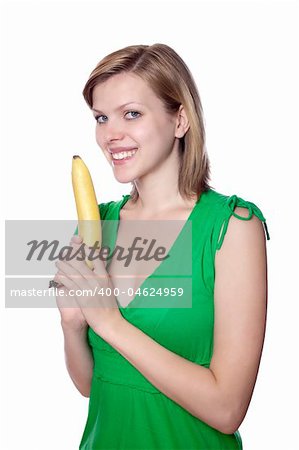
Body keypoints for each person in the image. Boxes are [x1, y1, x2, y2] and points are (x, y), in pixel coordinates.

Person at [54, 43, 270, 450]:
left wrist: (110, 323)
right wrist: (72, 324)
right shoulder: (96, 225)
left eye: (131, 114)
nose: (110, 134)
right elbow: (91, 386)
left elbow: (227, 409)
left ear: (180, 121)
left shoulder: (233, 228)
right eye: (102, 118)